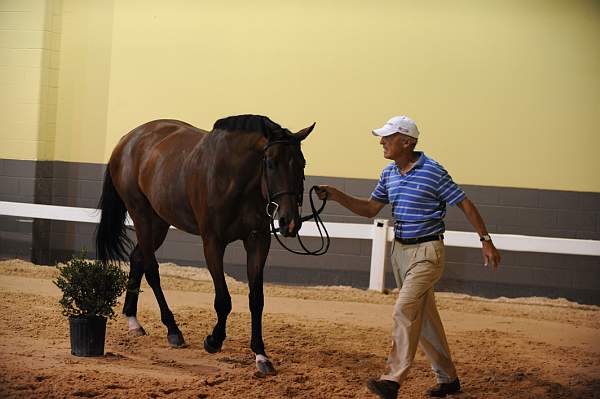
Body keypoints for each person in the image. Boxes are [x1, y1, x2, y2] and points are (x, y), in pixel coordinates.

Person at [316, 116, 501, 399]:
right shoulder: (388, 173)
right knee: (424, 319)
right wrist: (336, 195)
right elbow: (369, 209)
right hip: (400, 252)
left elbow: (464, 202)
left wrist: (485, 240)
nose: (382, 142)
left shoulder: (434, 171)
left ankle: (391, 380)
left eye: (388, 138)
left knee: (404, 309)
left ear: (407, 141)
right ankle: (448, 379)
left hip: (427, 253)